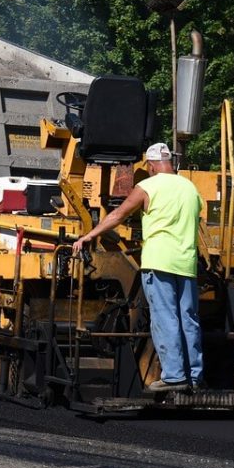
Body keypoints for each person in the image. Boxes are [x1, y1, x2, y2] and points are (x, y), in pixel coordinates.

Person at [72, 142, 204, 392]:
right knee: (189, 318)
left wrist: (89, 236)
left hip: (159, 261)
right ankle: (194, 376)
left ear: (152, 165)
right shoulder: (190, 188)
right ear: (169, 162)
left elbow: (118, 215)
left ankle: (174, 376)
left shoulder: (147, 187)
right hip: (187, 264)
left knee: (165, 317)